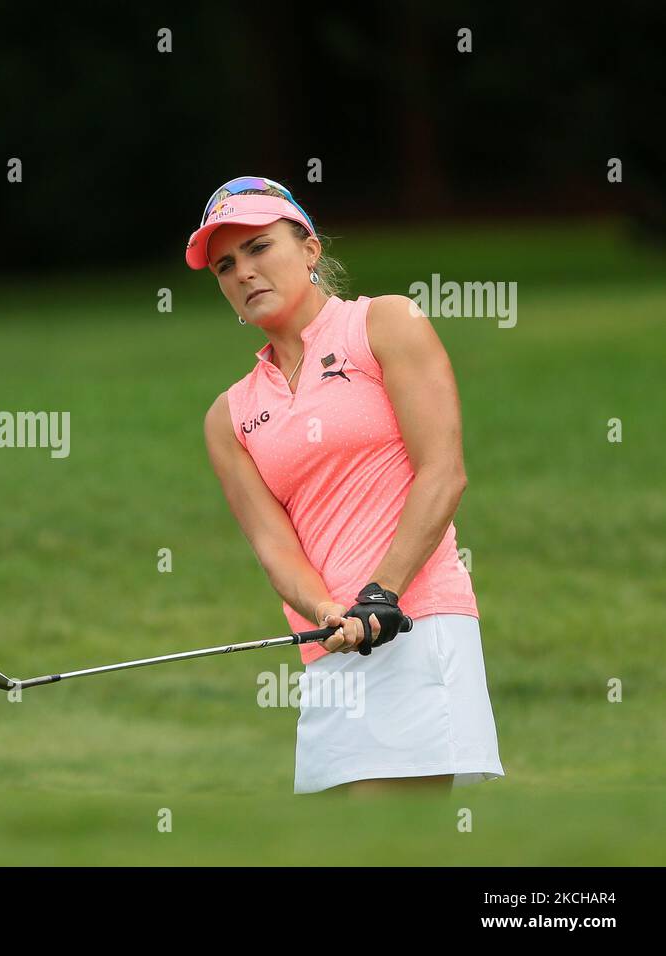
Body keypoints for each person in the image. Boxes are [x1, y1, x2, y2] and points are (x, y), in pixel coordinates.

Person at [192, 176, 505, 795]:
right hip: (331, 648)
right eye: (225, 265)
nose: (243, 272)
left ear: (309, 248)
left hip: (416, 620)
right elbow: (276, 548)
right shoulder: (229, 415)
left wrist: (380, 594)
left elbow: (443, 474)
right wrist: (329, 611)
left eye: (259, 247)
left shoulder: (384, 324)